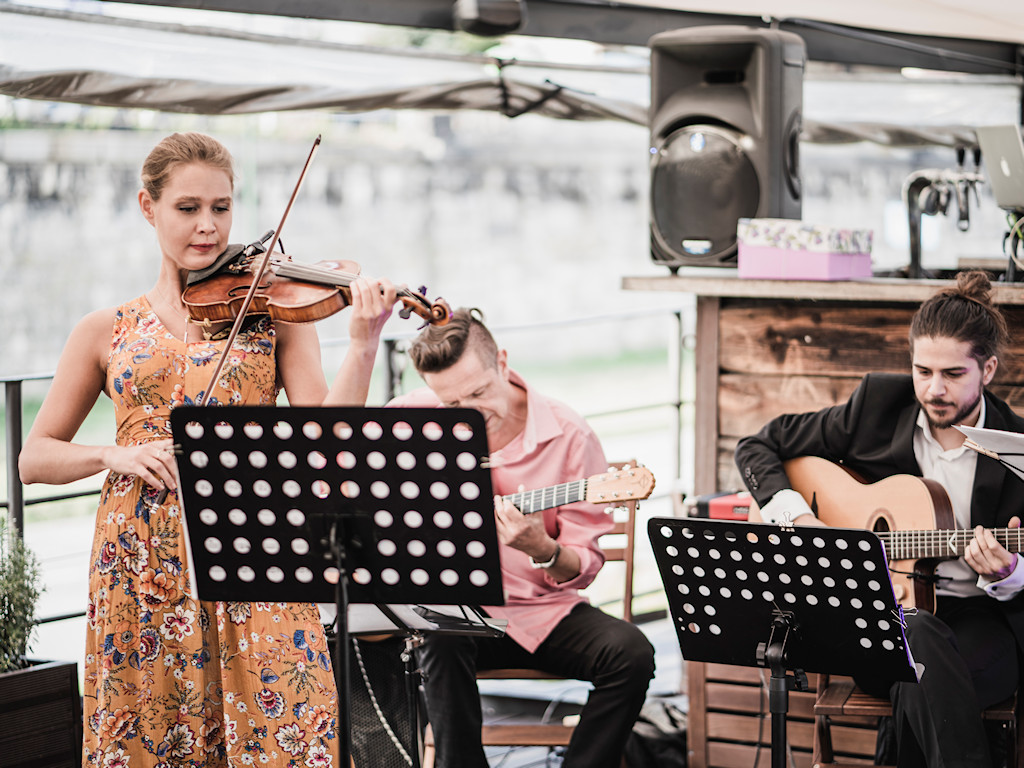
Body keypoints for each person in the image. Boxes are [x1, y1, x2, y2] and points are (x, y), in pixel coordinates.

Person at [18, 132, 399, 766]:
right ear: (148, 207)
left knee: (285, 732)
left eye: (221, 208)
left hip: (256, 544)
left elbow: (328, 440)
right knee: (155, 733)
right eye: (188, 208)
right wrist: (111, 455)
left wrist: (363, 343)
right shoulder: (104, 330)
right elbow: (34, 459)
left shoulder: (273, 316)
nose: (209, 226)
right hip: (142, 561)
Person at [735, 270, 1024, 768]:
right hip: (877, 618)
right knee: (918, 640)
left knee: (920, 665)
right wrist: (800, 521)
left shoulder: (1017, 449)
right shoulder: (877, 406)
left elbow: (1016, 580)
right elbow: (757, 446)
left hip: (980, 623)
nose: (934, 389)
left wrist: (1008, 573)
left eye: (953, 374)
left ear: (988, 369)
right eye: (922, 371)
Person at [387, 307, 656, 768]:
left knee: (631, 653)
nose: (468, 414)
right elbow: (349, 475)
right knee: (434, 636)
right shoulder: (409, 418)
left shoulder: (568, 434)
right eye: (452, 404)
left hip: (541, 612)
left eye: (478, 393)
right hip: (457, 616)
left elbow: (583, 566)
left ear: (503, 362)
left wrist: (543, 549)